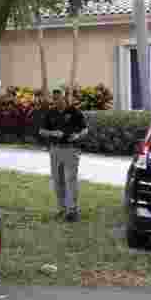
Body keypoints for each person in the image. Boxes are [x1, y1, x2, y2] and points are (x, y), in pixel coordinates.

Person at [38, 89, 89, 222]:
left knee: (70, 179)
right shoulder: (50, 113)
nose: (56, 101)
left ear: (64, 98)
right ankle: (62, 209)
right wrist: (53, 133)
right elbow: (42, 131)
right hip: (55, 150)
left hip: (71, 150)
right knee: (57, 180)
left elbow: (85, 129)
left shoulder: (74, 112)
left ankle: (72, 210)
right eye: (54, 99)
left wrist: (78, 136)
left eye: (58, 98)